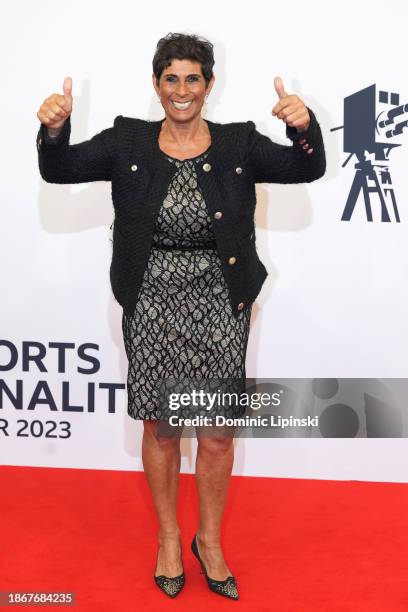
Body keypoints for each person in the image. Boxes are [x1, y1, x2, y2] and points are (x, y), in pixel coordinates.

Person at [36, 32, 326, 600]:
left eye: (193, 78)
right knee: (161, 426)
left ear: (209, 85)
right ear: (156, 84)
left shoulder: (239, 143)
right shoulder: (128, 141)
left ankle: (209, 541)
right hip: (150, 297)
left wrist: (303, 125)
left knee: (216, 431)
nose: (182, 90)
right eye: (171, 78)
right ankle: (170, 538)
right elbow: (60, 169)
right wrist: (53, 129)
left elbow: (305, 169)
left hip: (221, 298)